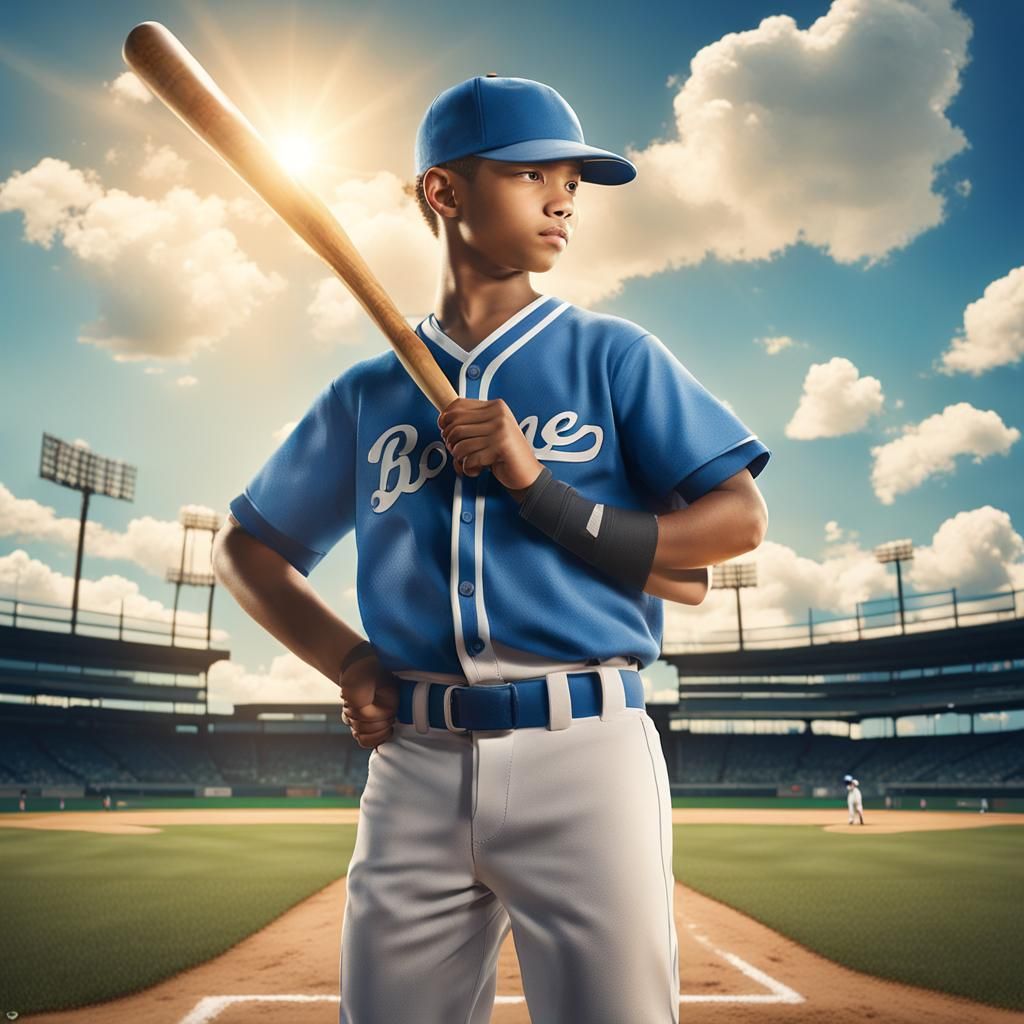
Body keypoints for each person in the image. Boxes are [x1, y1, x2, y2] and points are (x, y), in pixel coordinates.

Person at [216, 74, 770, 1024]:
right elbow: (247, 550)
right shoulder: (365, 395)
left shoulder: (612, 355)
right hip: (416, 760)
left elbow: (735, 523)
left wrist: (536, 486)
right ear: (445, 193)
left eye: (573, 181)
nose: (563, 197)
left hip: (585, 749)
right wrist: (349, 660)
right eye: (531, 174)